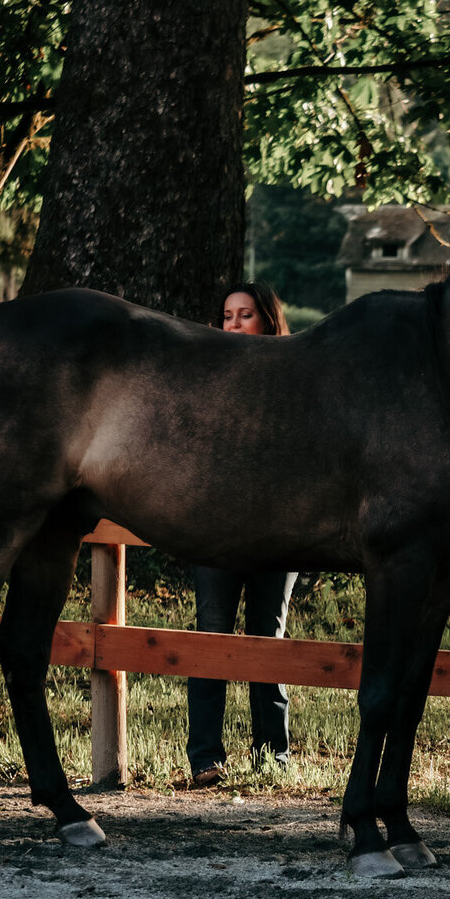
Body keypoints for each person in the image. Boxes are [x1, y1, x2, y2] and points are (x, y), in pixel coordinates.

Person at [186, 282, 300, 787]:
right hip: (216, 530)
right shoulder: (205, 380)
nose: (233, 325)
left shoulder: (293, 381)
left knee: (267, 639)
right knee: (211, 634)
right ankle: (205, 757)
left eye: (245, 315)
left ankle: (271, 755)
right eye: (227, 316)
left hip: (278, 531)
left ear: (268, 322)